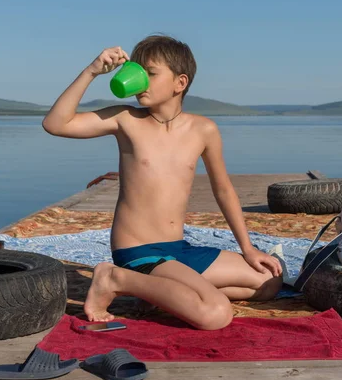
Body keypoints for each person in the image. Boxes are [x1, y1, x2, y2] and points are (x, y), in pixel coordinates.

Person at [42, 35, 283, 330]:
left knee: (269, 281)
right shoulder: (126, 119)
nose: (140, 81)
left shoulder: (203, 129)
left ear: (179, 83)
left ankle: (157, 292)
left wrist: (248, 248)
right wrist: (92, 71)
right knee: (216, 314)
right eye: (137, 72)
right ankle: (114, 278)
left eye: (151, 74)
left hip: (178, 249)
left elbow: (223, 190)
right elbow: (55, 124)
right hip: (139, 250)